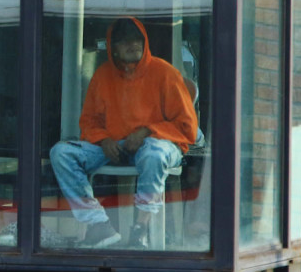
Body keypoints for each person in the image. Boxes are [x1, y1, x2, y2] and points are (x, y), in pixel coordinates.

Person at [49, 16, 197, 248]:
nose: (133, 45)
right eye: (125, 41)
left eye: (137, 39)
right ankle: (99, 226)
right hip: (116, 146)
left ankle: (141, 229)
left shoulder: (165, 73)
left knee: (153, 153)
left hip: (159, 144)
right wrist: (103, 139)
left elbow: (187, 126)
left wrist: (147, 131)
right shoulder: (102, 75)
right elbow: (88, 121)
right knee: (62, 153)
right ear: (113, 48)